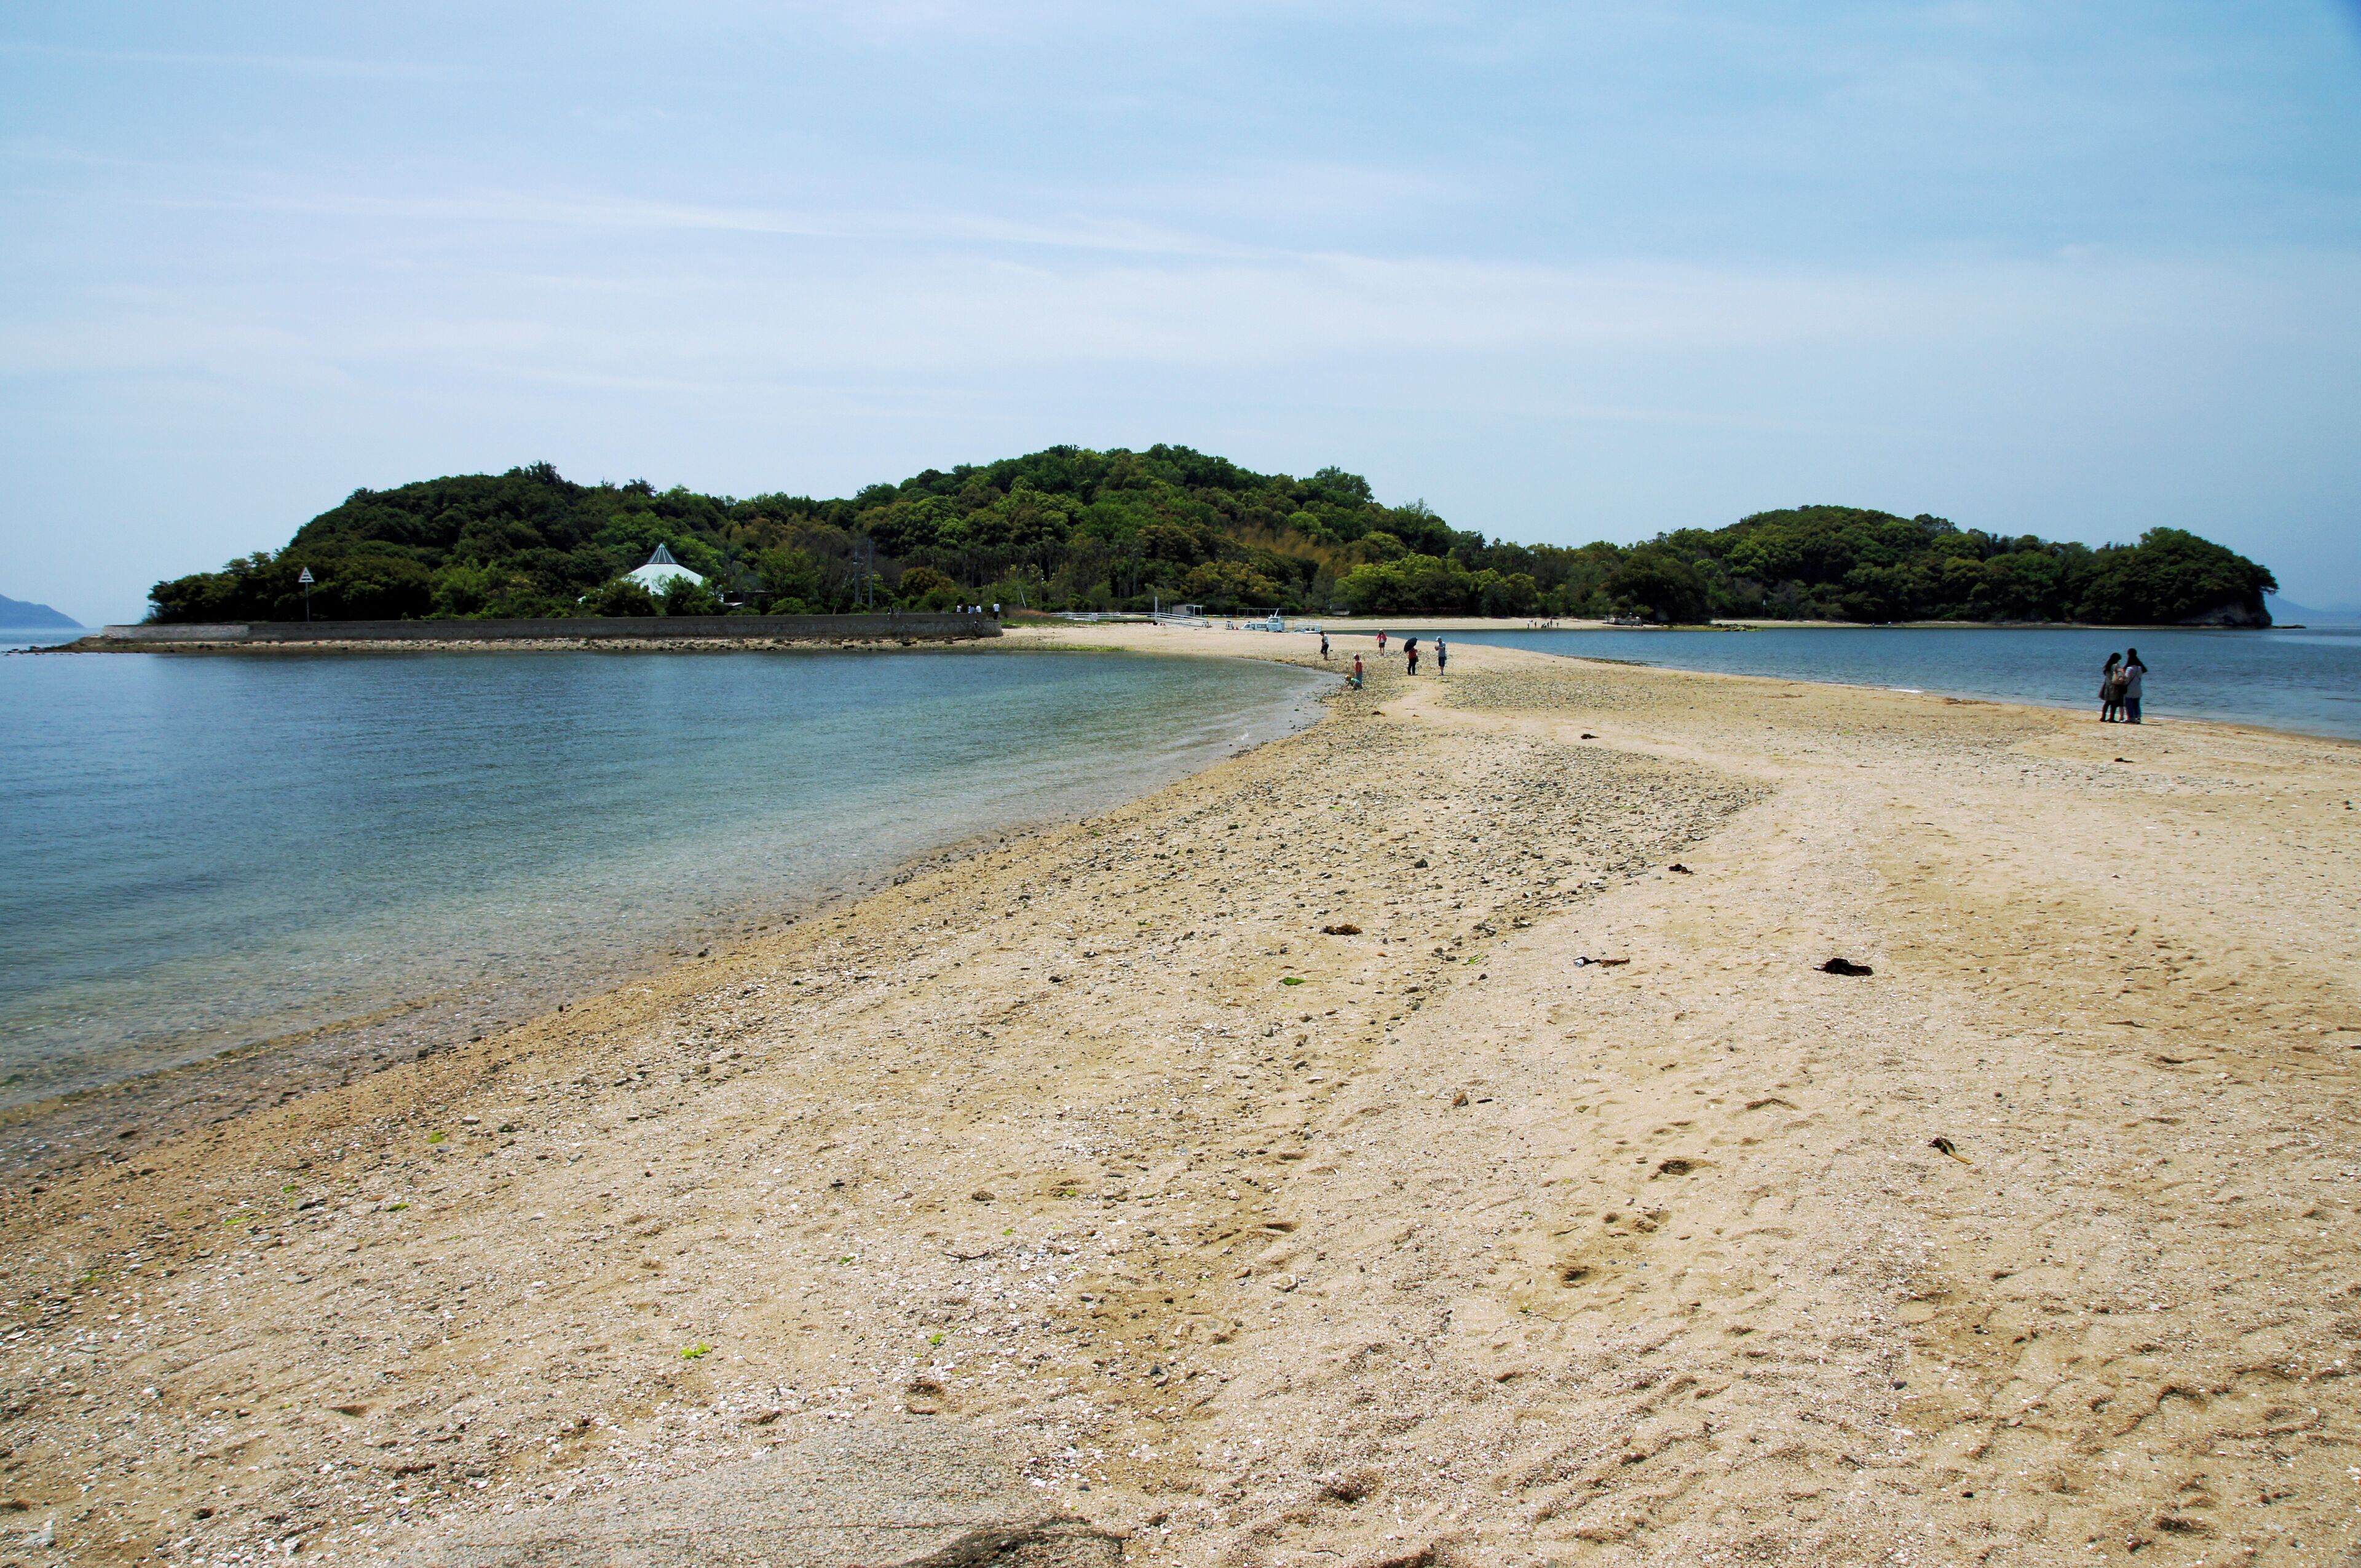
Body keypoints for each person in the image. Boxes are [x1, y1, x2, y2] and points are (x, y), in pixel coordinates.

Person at [2121, 647, 2146, 723]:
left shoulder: (2129, 669)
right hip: (2138, 688)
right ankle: (2138, 717)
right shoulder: (2140, 668)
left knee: (2129, 704)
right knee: (2137, 704)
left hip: (2130, 689)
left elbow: (2127, 679)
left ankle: (2131, 718)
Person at [2099, 652, 2122, 722]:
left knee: (2107, 703)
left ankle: (2103, 717)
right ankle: (2112, 718)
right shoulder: (2115, 666)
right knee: (2114, 704)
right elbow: (2118, 676)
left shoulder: (2107, 667)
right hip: (2114, 686)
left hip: (2107, 686)